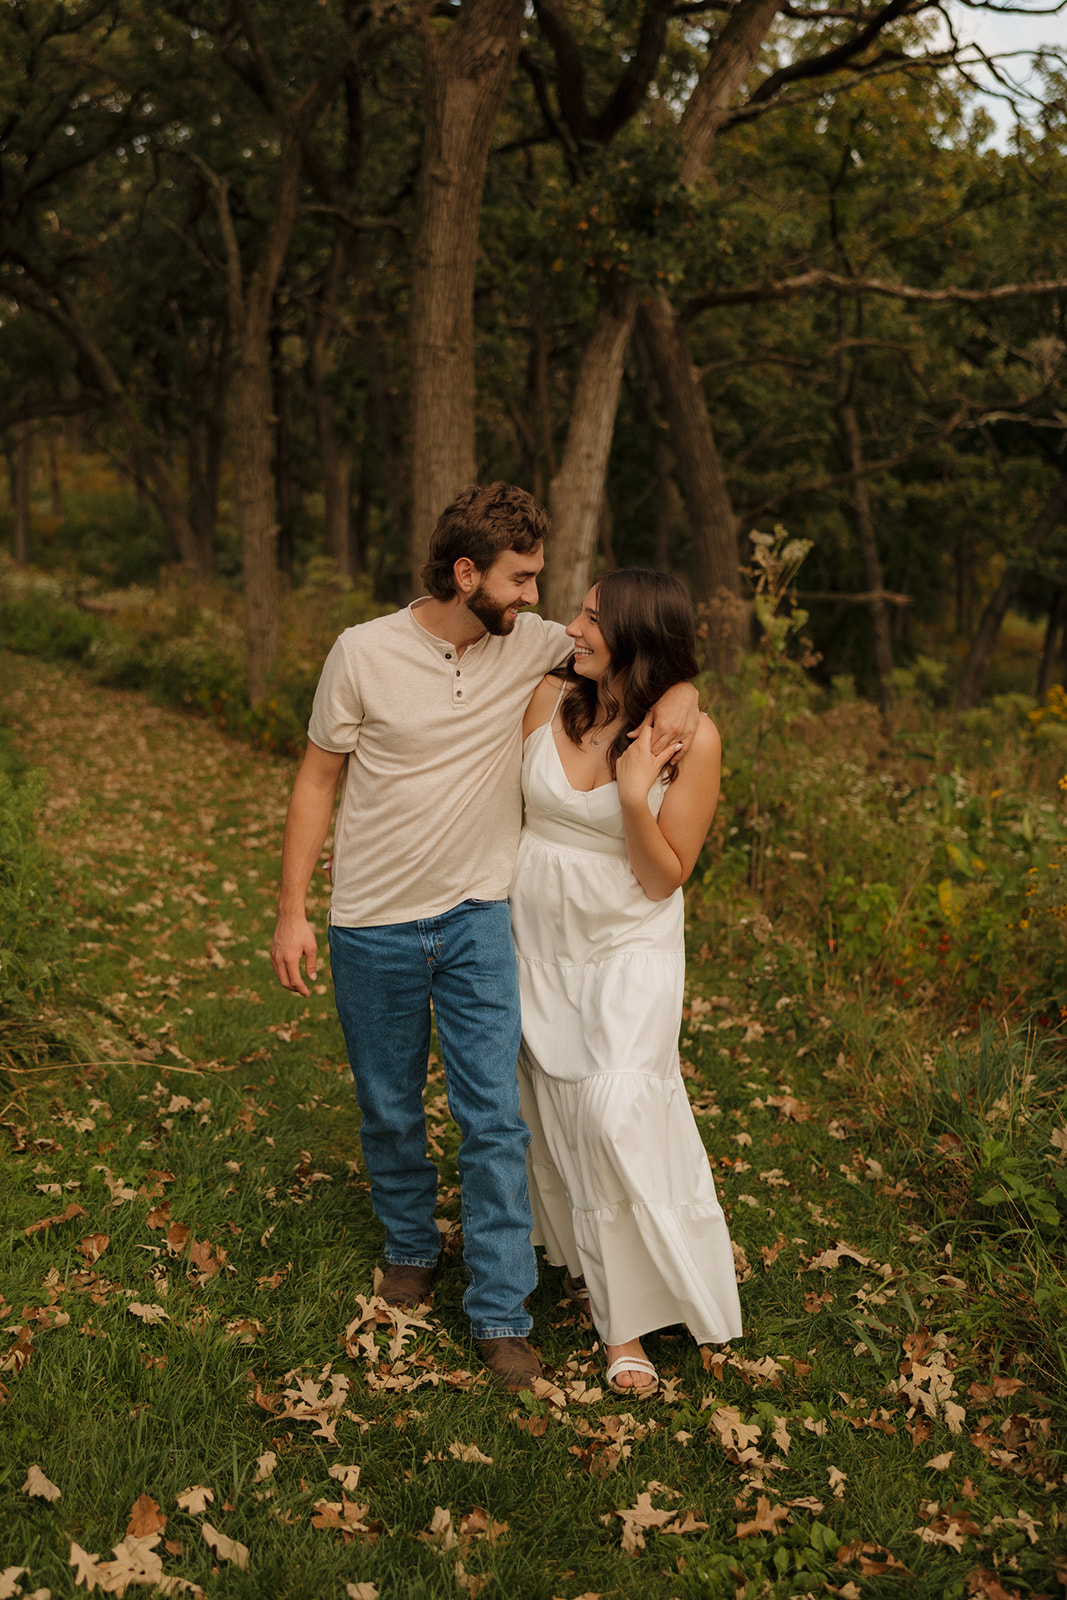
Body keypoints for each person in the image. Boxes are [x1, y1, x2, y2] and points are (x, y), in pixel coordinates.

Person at [270, 484, 699, 1393]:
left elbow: (644, 656)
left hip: (478, 918)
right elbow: (315, 780)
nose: (539, 599)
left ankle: (501, 1312)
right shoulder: (361, 653)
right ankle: (410, 1246)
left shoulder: (532, 645)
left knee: (494, 1118)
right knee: (389, 1106)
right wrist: (291, 910)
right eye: (521, 579)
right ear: (467, 574)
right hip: (371, 923)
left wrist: (686, 691)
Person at [510, 568, 743, 1396]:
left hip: (627, 940)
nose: (572, 627)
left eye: (592, 617)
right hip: (536, 941)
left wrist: (635, 795)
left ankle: (625, 1330)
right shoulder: (548, 697)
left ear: (638, 636)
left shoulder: (689, 739)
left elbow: (662, 877)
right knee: (557, 1116)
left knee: (612, 1112)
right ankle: (593, 1274)